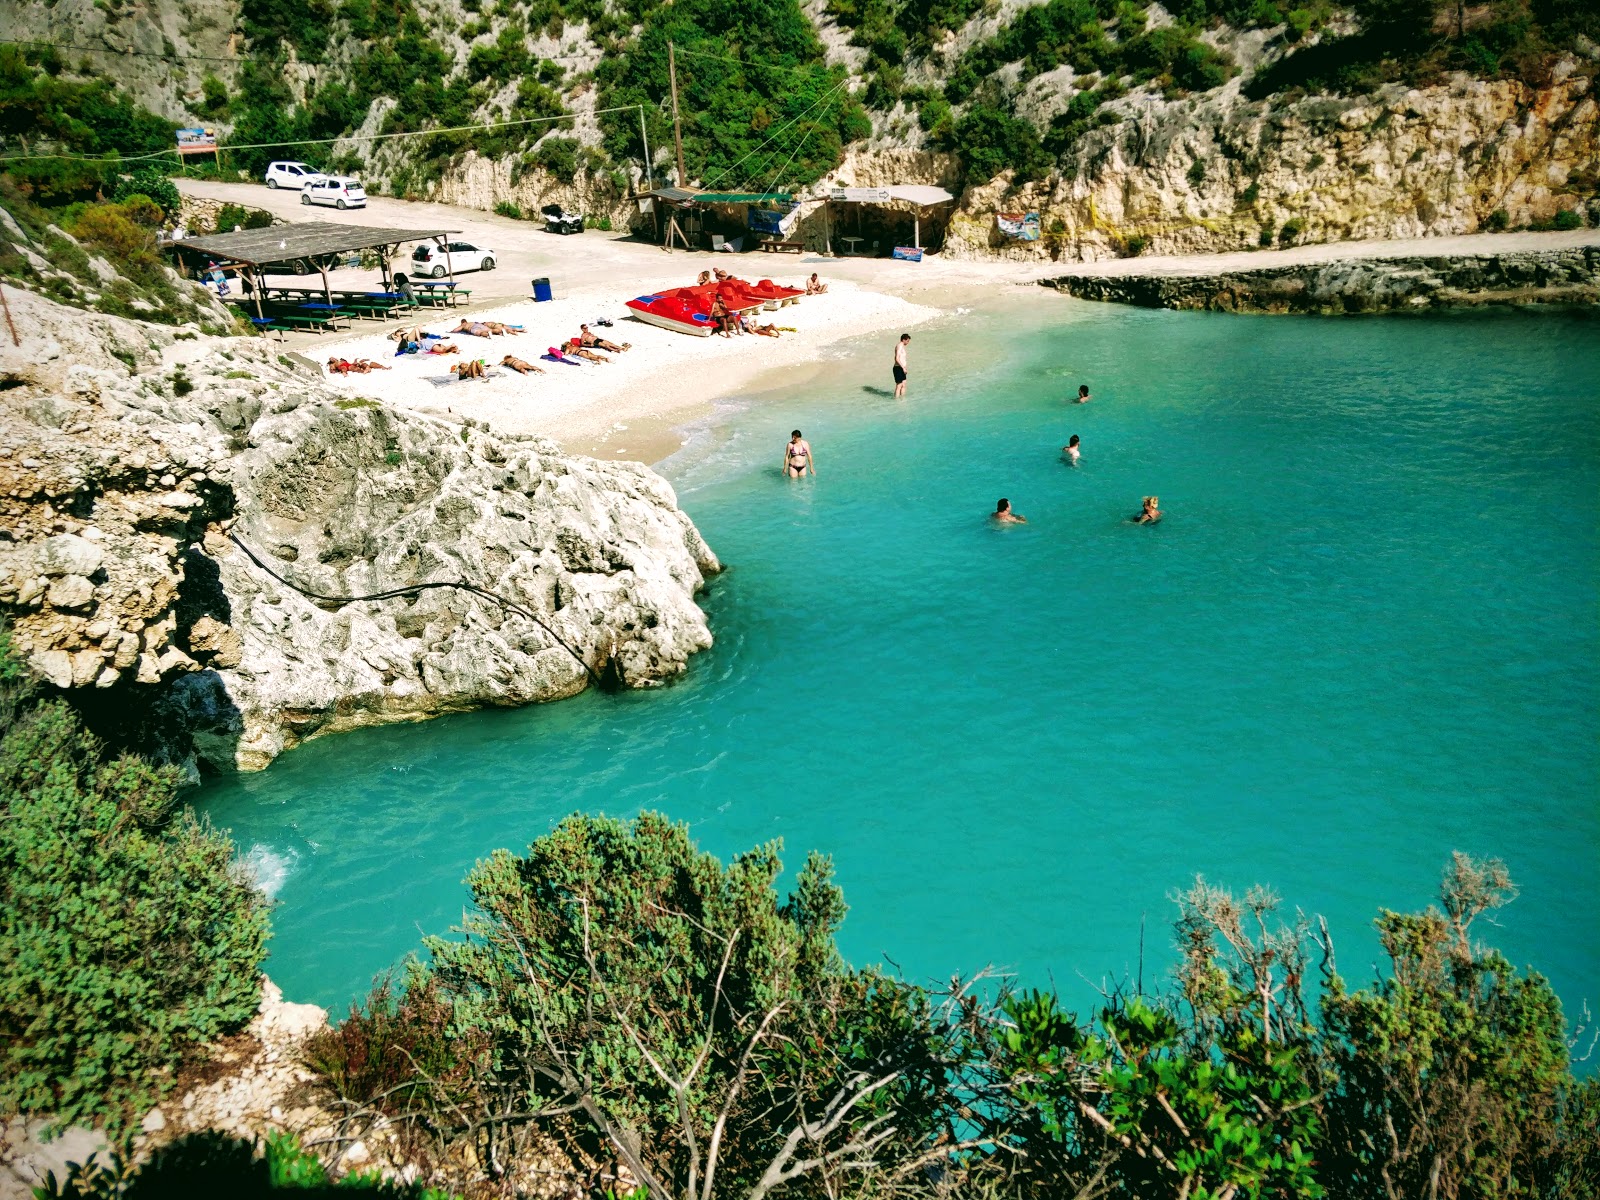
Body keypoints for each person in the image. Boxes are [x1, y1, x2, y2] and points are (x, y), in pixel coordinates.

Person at [893, 333, 911, 399]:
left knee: (904, 384)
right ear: (904, 340)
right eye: (907, 341)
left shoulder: (902, 346)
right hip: (898, 368)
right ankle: (896, 400)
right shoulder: (899, 346)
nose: (908, 342)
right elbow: (896, 358)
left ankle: (902, 399)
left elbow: (902, 359)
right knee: (899, 385)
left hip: (902, 368)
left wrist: (904, 367)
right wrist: (903, 367)